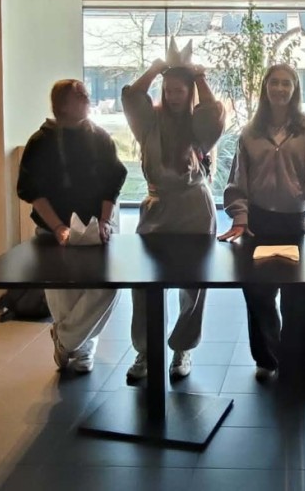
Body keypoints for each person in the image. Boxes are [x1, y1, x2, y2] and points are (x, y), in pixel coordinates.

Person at [219, 63, 305, 392]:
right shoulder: (250, 131)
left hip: (294, 222)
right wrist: (240, 216)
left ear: (294, 88)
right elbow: (238, 179)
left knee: (302, 295)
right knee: (258, 294)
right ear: (265, 87)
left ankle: (303, 363)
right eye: (274, 82)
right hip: (258, 223)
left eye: (286, 83)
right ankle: (267, 358)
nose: (280, 88)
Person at [122, 56, 225, 384]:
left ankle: (183, 347)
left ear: (189, 92)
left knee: (193, 281)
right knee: (144, 282)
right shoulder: (149, 121)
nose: (173, 96)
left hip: (194, 206)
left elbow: (213, 113)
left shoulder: (198, 125)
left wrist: (200, 77)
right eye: (168, 90)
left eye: (180, 90)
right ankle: (145, 349)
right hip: (157, 207)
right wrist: (155, 69)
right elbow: (132, 97)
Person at [17, 79, 127, 374]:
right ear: (61, 104)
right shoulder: (40, 141)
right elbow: (31, 190)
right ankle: (81, 349)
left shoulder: (99, 137)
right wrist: (57, 227)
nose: (87, 97)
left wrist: (105, 221)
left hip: (94, 229)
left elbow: (112, 183)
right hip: (52, 232)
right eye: (79, 94)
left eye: (86, 93)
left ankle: (66, 342)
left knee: (107, 287)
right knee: (64, 297)